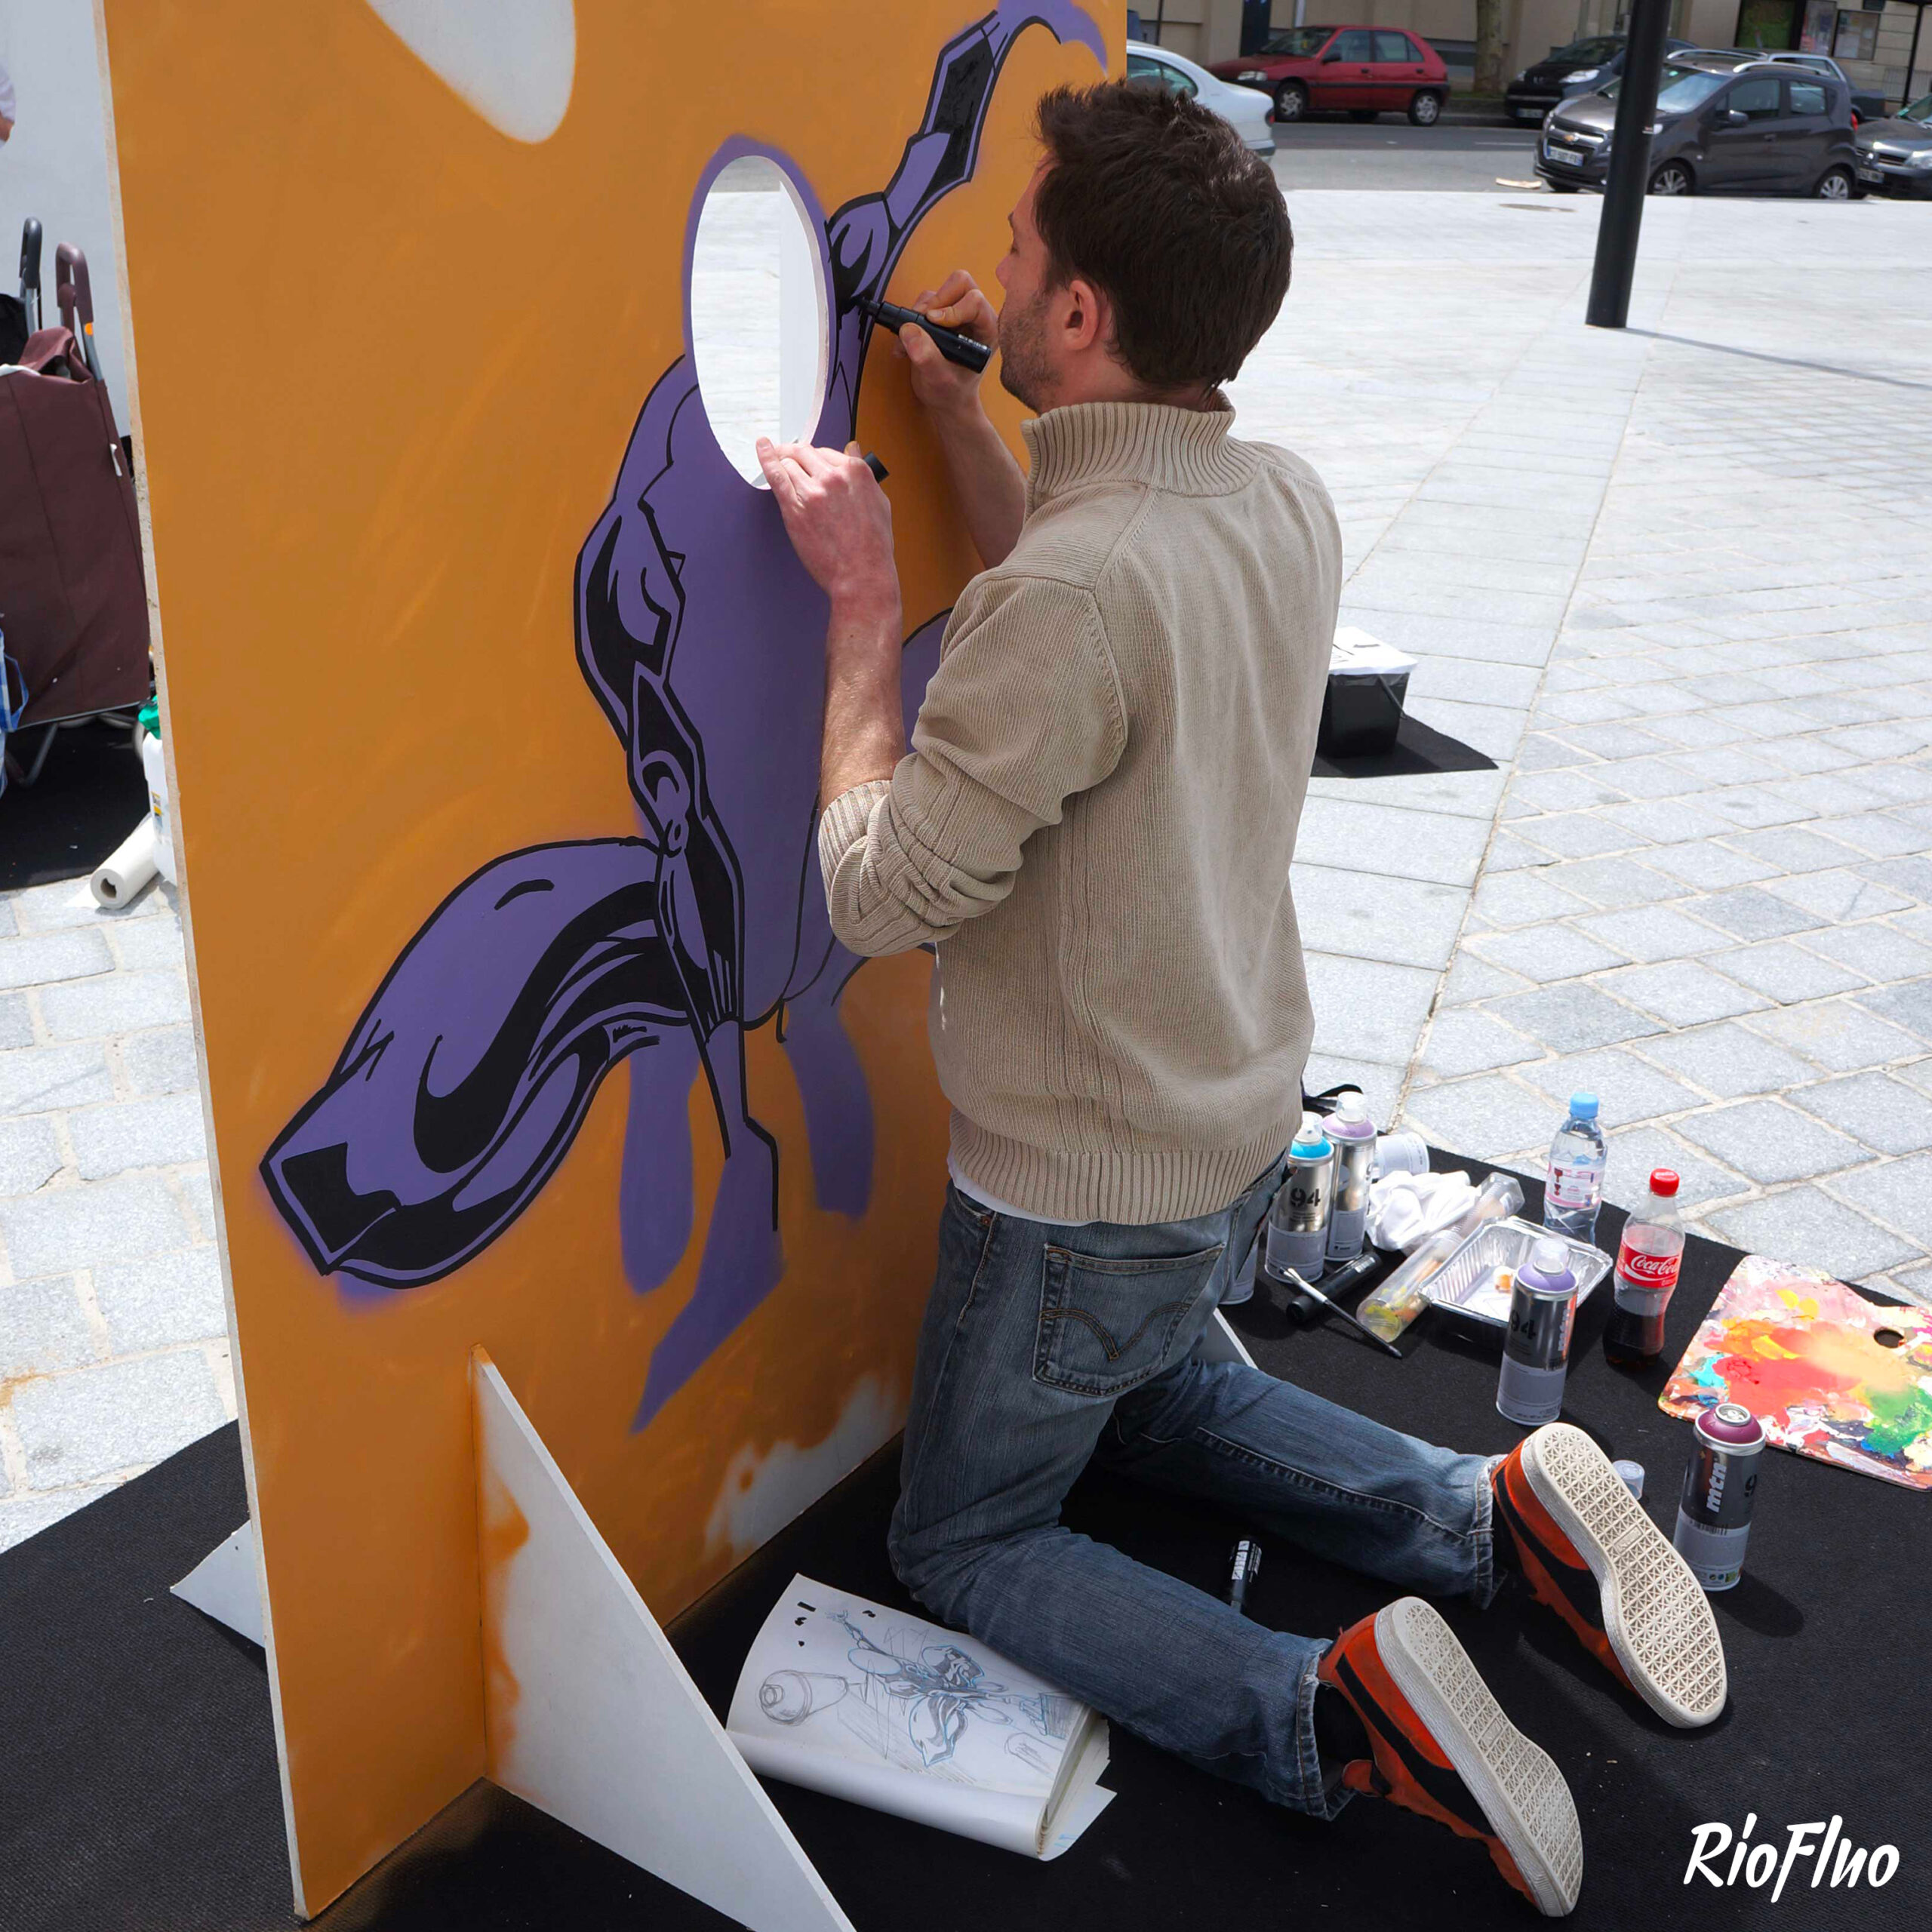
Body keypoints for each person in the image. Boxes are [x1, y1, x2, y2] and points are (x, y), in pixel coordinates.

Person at [758, 78, 1724, 1918]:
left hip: (1066, 1198)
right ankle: (1479, 1512)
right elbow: (1074, 586)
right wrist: (957, 412)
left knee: (963, 1534)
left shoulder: (1072, 597)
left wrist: (863, 605)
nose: (989, 270)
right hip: (1222, 1137)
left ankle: (1320, 1706)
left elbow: (878, 890)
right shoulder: (1275, 499)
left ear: (1076, 313)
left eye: (1018, 250)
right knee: (1149, 1398)